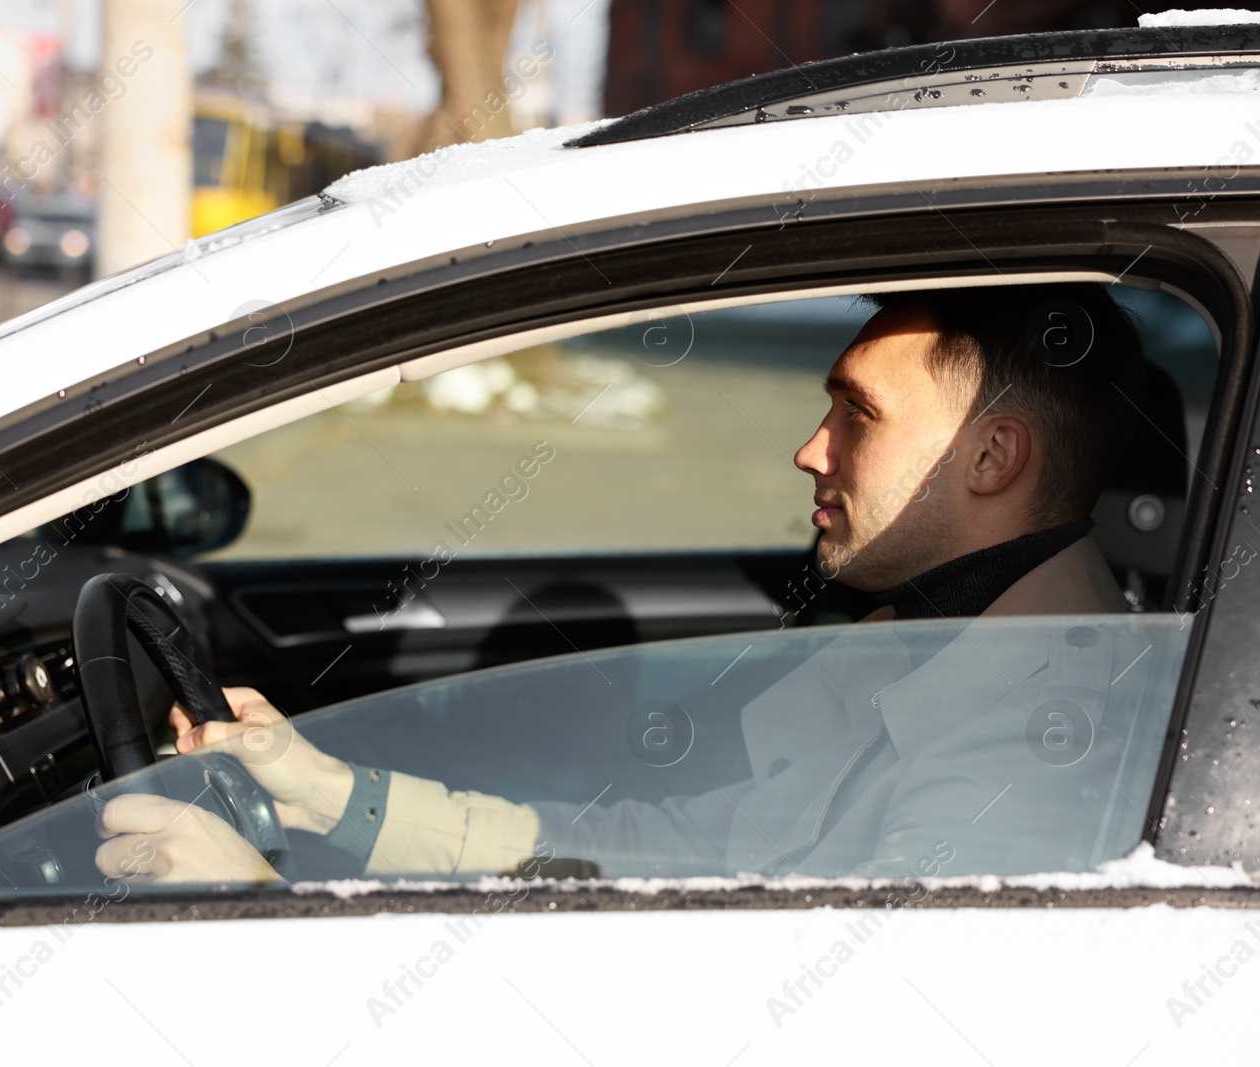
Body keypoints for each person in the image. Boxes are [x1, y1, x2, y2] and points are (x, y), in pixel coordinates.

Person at [92, 282, 1151, 886]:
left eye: (856, 414)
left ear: (990, 460)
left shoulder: (1036, 760)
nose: (807, 450)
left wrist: (261, 914)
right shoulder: (941, 666)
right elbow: (669, 855)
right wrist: (324, 788)